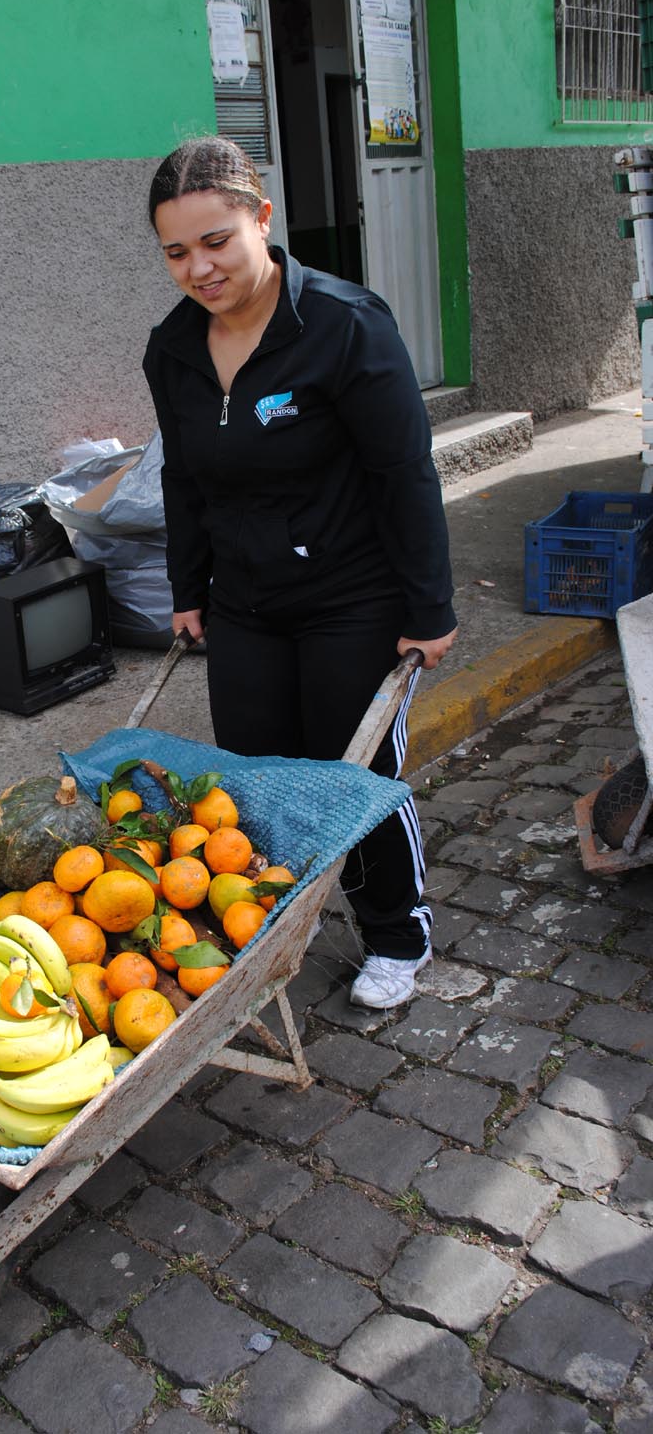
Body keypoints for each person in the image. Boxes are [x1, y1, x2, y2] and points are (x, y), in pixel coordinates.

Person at [142, 135, 457, 1010]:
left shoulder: (344, 325)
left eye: (216, 242)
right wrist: (186, 590)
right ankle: (282, 916)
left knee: (351, 776)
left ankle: (399, 932)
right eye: (176, 252)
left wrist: (428, 606)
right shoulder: (173, 350)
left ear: (262, 221)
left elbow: (404, 472)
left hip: (351, 598)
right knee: (252, 779)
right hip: (244, 601)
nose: (199, 268)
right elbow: (182, 476)